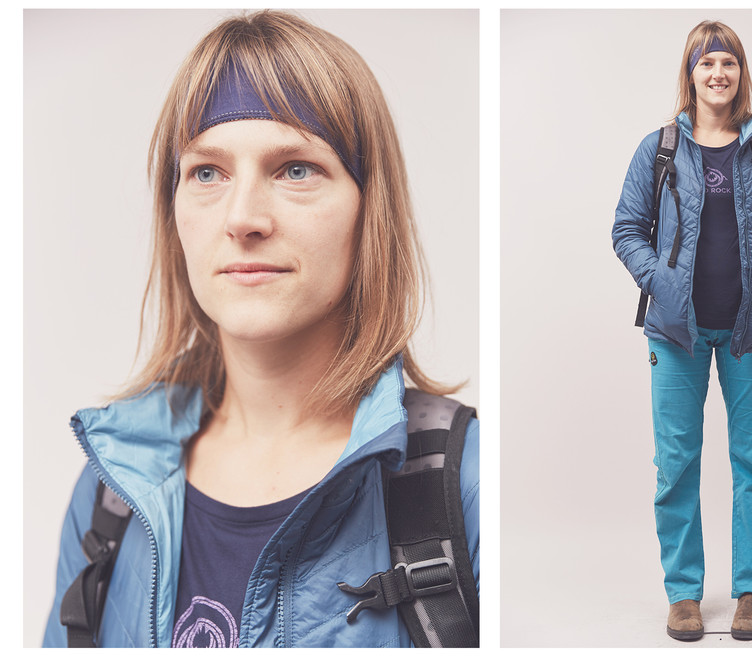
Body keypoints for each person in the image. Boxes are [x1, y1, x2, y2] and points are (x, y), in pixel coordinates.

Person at [42, 10, 478, 648]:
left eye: (295, 169)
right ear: (174, 216)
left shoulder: (464, 485)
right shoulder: (110, 492)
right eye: (207, 173)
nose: (242, 217)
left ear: (369, 209)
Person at [612, 20, 752, 642]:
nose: (717, 73)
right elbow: (626, 230)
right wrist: (664, 286)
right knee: (676, 464)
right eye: (706, 63)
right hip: (676, 335)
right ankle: (684, 595)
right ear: (690, 74)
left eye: (728, 62)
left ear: (741, 74)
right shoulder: (660, 148)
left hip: (751, 331)